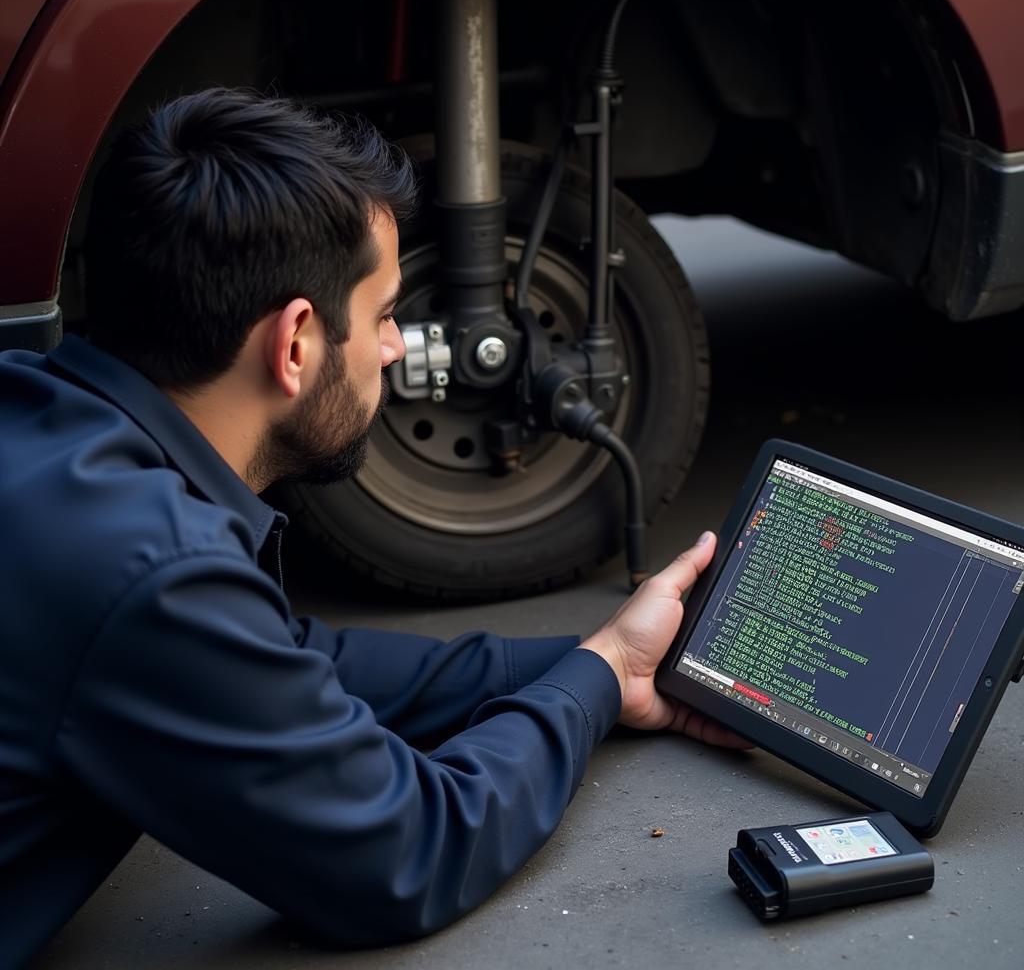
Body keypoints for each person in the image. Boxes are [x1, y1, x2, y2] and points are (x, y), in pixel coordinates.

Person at [0, 88, 746, 966]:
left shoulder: (37, 414)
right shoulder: (144, 567)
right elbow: (409, 848)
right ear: (295, 344)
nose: (396, 347)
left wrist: (602, 653)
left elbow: (287, 659)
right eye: (387, 313)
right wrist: (596, 681)